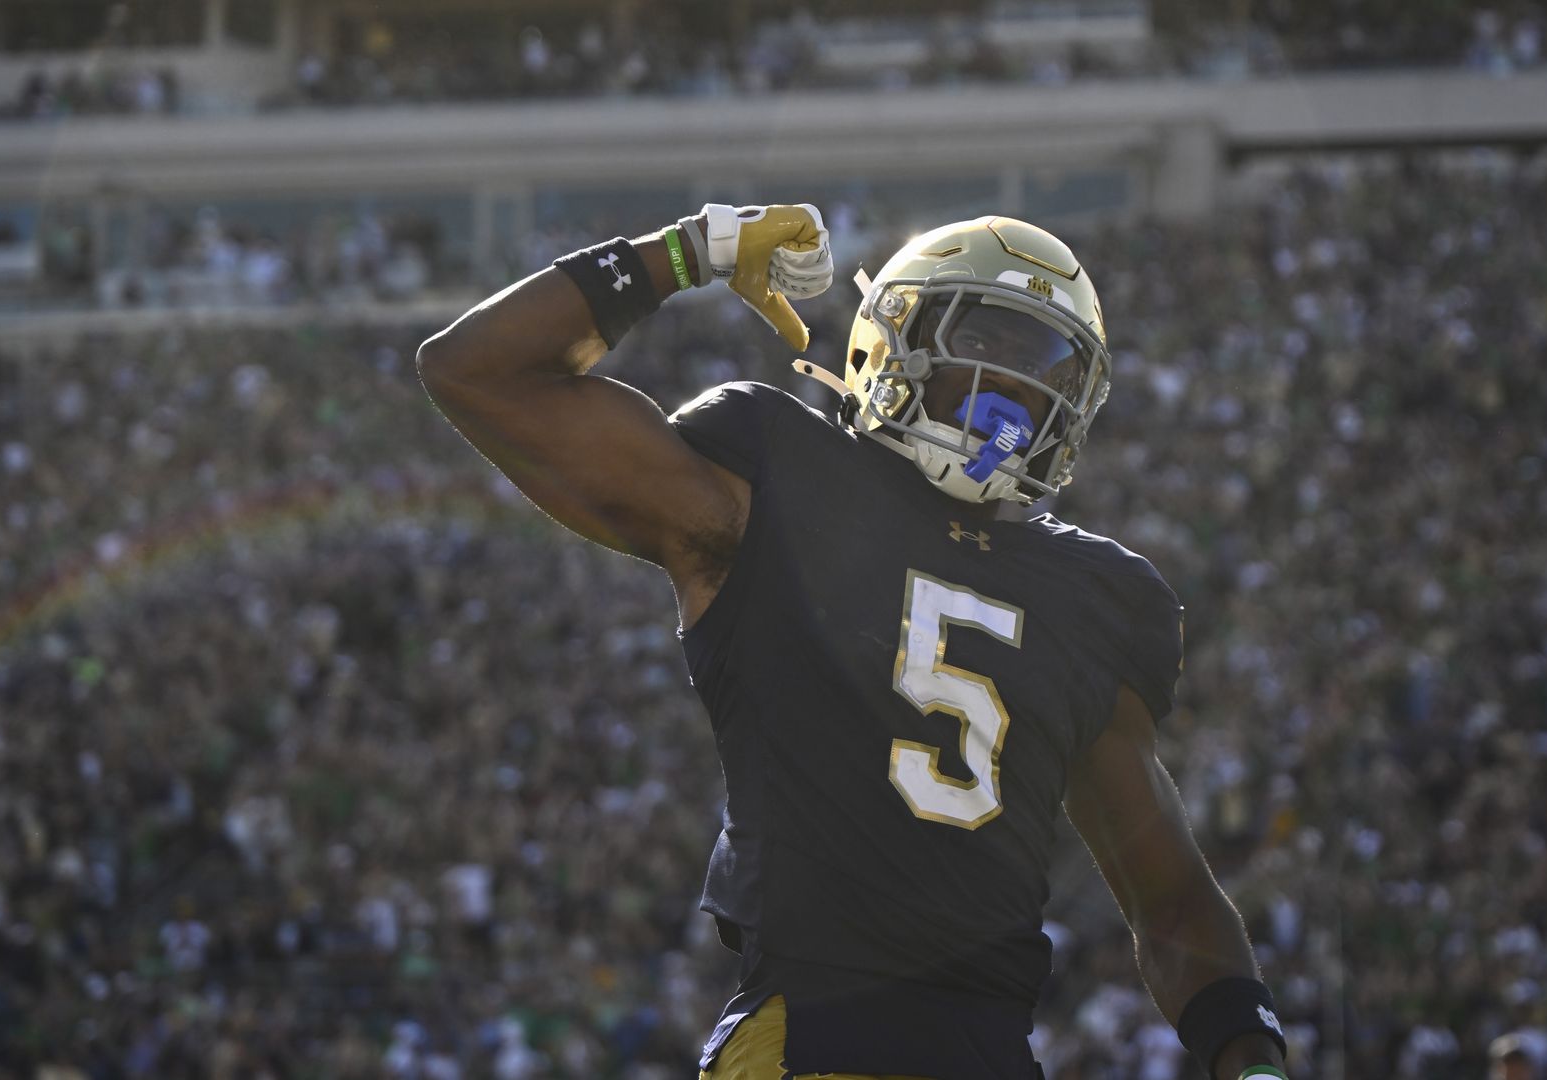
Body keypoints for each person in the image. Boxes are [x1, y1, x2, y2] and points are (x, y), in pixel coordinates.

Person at [417, 204, 1290, 1080]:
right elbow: (478, 371)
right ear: (892, 342)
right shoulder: (776, 478)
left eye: (1045, 363)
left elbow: (1171, 902)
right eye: (989, 339)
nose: (1016, 383)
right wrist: (690, 251)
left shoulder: (1099, 598)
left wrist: (1253, 1062)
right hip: (812, 1043)